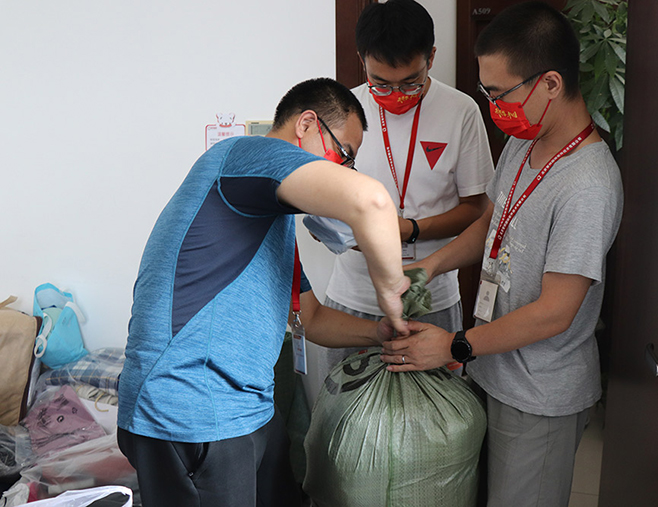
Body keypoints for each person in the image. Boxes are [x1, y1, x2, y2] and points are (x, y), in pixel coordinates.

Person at [116, 77, 411, 507]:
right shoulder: (245, 155)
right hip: (191, 410)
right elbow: (373, 202)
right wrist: (391, 290)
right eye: (343, 155)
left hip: (244, 408)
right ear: (307, 124)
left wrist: (383, 332)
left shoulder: (269, 217)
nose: (341, 172)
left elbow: (311, 319)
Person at [380, 3, 624, 506]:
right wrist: (428, 266)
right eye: (485, 92)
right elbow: (489, 225)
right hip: (492, 370)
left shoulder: (587, 184)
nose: (493, 107)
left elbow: (556, 312)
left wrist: (453, 346)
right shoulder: (524, 141)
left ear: (551, 83)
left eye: (499, 93)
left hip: (539, 396)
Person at [312, 0, 494, 381]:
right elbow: (321, 207)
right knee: (344, 421)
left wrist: (410, 229)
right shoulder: (342, 113)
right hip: (353, 299)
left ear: (431, 56)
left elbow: (476, 209)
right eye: (381, 83)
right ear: (362, 60)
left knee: (432, 427)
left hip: (432, 300)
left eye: (410, 82)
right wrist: (363, 235)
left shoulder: (461, 111)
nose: (396, 93)